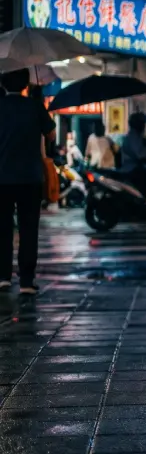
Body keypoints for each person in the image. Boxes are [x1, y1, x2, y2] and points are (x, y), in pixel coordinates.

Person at [0, 69, 56, 294]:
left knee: (2, 228)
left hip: (2, 177)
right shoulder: (34, 106)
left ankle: (3, 277)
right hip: (30, 177)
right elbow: (51, 135)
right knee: (28, 229)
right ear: (25, 83)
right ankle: (26, 281)